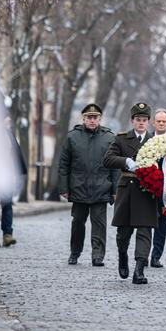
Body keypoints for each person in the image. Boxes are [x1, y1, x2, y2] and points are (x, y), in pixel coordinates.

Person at [103, 102, 158, 284]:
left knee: (145, 230)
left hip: (147, 190)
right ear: (132, 121)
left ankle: (140, 269)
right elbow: (108, 159)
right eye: (138, 120)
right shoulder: (121, 139)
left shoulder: (156, 141)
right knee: (123, 232)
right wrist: (126, 161)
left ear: (148, 122)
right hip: (127, 188)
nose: (141, 123)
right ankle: (122, 255)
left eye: (144, 120)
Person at [58, 103, 118, 266]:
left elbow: (115, 166)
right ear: (83, 118)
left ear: (100, 119)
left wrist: (115, 189)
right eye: (89, 117)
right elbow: (64, 164)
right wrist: (64, 188)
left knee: (99, 225)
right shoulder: (72, 137)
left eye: (95, 118)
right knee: (78, 223)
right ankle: (74, 252)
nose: (92, 120)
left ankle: (97, 256)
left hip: (101, 187)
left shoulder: (109, 137)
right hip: (78, 187)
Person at [0, 117, 27, 247]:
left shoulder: (9, 135)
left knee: (7, 205)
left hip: (6, 176)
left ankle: (7, 235)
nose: (8, 122)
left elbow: (15, 155)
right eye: (5, 119)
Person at [149, 108, 166, 268]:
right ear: (154, 123)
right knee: (144, 224)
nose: (161, 123)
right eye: (159, 121)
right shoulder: (146, 140)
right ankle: (142, 255)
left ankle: (156, 256)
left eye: (164, 121)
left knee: (161, 225)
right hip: (147, 188)